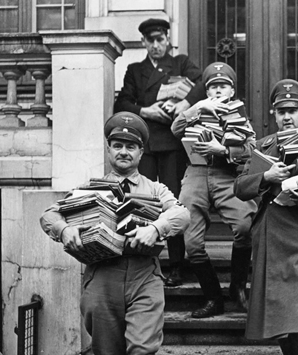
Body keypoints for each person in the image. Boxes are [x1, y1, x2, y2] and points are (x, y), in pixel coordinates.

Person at [40, 112, 190, 355]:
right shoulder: (88, 190)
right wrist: (64, 229)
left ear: (141, 152)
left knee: (143, 349)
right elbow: (49, 214)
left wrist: (155, 228)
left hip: (144, 276)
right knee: (106, 350)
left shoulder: (156, 189)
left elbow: (182, 215)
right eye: (117, 145)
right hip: (102, 276)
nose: (123, 151)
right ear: (108, 149)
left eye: (131, 146)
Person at [234, 79, 298, 355]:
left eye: (293, 110)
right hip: (275, 237)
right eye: (281, 111)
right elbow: (240, 188)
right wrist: (266, 177)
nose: (287, 117)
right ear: (274, 114)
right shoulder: (262, 146)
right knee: (282, 318)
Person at [114, 18, 206, 287]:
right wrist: (146, 111)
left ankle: (177, 265)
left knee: (173, 201)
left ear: (168, 40)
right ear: (144, 42)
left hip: (173, 144)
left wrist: (185, 104)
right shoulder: (135, 69)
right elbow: (122, 102)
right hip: (146, 146)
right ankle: (145, 262)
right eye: (150, 40)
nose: (156, 45)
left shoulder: (181, 63)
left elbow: (203, 82)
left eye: (160, 39)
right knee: (143, 202)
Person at [171, 62, 257, 318]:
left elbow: (252, 150)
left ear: (231, 90)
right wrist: (196, 108)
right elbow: (175, 130)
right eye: (213, 87)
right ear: (207, 91)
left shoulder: (239, 116)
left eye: (223, 86)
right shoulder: (197, 110)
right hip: (196, 172)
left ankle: (238, 288)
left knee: (244, 226)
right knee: (191, 240)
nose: (218, 91)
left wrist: (225, 151)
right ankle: (212, 297)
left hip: (226, 174)